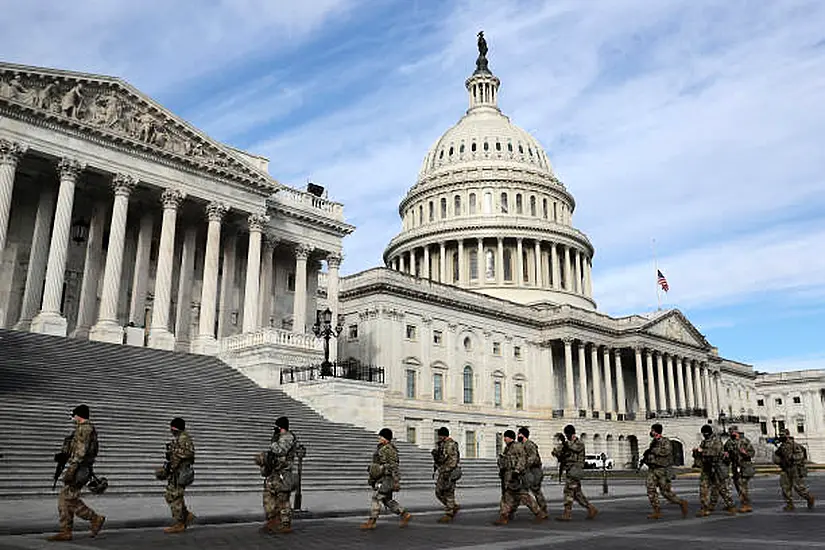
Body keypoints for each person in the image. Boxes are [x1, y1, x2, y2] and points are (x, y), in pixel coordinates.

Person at [47, 405, 105, 542]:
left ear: (79, 415)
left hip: (80, 468)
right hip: (78, 466)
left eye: (74, 415)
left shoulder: (85, 429)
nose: (73, 417)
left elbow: (81, 451)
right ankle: (65, 531)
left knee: (69, 498)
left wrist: (72, 469)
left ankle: (95, 518)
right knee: (64, 498)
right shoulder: (80, 428)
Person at [361, 428, 412, 530]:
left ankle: (372, 521)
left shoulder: (389, 449)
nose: (379, 438)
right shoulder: (382, 448)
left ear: (386, 438)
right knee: (387, 500)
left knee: (376, 498)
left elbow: (394, 466)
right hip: (382, 478)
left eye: (381, 436)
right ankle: (404, 514)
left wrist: (396, 481)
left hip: (387, 479)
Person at [494, 430, 546, 525]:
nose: (504, 439)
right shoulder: (507, 448)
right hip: (508, 476)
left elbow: (522, 459)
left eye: (506, 437)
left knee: (524, 496)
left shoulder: (517, 446)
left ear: (510, 438)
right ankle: (504, 516)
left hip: (516, 476)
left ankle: (539, 513)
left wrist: (517, 471)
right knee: (507, 496)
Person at [256, 416, 298, 534]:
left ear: (281, 427)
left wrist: (274, 442)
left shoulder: (289, 437)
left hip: (283, 474)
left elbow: (280, 450)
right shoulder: (279, 437)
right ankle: (272, 521)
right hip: (274, 473)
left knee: (282, 500)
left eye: (277, 427)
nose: (275, 429)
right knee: (268, 499)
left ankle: (285, 524)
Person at [157, 417, 195, 534]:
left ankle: (180, 523)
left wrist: (175, 452)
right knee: (173, 495)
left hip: (180, 472)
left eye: (171, 428)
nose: (170, 430)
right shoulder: (180, 438)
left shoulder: (183, 438)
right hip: (176, 472)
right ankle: (186, 516)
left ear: (174, 428)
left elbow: (189, 453)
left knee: (174, 496)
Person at [551, 424, 597, 521]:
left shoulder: (579, 443)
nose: (567, 436)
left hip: (575, 470)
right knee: (577, 494)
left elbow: (575, 448)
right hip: (569, 470)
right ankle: (591, 508)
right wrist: (557, 451)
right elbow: (558, 452)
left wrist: (566, 444)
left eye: (568, 434)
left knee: (568, 491)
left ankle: (567, 514)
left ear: (572, 434)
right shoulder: (567, 443)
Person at [643, 423, 688, 519]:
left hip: (663, 470)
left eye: (652, 430)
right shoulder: (653, 442)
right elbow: (652, 454)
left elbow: (666, 452)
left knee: (665, 492)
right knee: (650, 489)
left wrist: (653, 451)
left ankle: (681, 503)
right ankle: (656, 510)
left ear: (656, 431)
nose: (651, 432)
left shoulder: (665, 441)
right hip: (653, 469)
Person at [693, 424, 735, 517]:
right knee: (703, 488)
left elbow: (716, 452)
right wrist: (696, 453)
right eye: (703, 434)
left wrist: (702, 451)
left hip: (716, 468)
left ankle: (730, 505)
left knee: (721, 489)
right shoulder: (704, 442)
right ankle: (705, 508)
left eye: (706, 433)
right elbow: (701, 454)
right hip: (706, 468)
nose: (704, 435)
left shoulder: (716, 440)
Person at [773, 428, 815, 511]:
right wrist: (778, 460)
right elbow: (776, 457)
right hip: (785, 469)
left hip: (794, 468)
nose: (781, 436)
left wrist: (792, 457)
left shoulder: (794, 445)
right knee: (785, 487)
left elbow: (800, 455)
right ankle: (789, 504)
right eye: (780, 435)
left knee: (799, 487)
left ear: (787, 435)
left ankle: (809, 498)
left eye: (783, 435)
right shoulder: (781, 446)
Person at [431, 426, 460, 523]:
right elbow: (441, 458)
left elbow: (454, 460)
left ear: (443, 435)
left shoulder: (451, 444)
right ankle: (452, 506)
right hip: (442, 471)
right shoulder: (442, 444)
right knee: (438, 492)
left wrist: (448, 470)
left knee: (449, 492)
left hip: (449, 472)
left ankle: (449, 513)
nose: (438, 437)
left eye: (439, 435)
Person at [724, 425, 756, 513]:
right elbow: (726, 454)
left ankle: (746, 504)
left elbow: (752, 453)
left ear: (737, 432)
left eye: (733, 432)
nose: (732, 434)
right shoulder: (729, 443)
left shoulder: (744, 441)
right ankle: (744, 503)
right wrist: (726, 456)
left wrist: (745, 453)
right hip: (735, 467)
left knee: (742, 486)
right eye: (730, 432)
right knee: (739, 486)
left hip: (745, 466)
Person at [518, 427, 547, 515]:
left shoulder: (529, 444)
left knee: (536, 490)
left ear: (522, 435)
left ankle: (542, 510)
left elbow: (533, 457)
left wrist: (524, 465)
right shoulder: (521, 445)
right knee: (523, 490)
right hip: (528, 471)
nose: (517, 435)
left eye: (519, 434)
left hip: (535, 470)